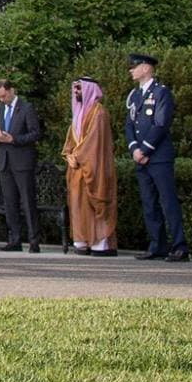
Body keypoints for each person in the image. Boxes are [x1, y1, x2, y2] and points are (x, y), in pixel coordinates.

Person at [124, 52, 188, 261]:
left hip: (158, 157)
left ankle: (179, 246)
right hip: (141, 157)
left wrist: (145, 150)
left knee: (168, 202)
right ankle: (157, 244)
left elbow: (161, 124)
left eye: (135, 66)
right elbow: (129, 124)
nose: (131, 70)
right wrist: (134, 148)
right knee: (149, 202)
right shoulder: (134, 96)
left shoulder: (161, 93)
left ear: (146, 68)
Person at [61, 77, 117, 255]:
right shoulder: (77, 114)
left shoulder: (98, 112)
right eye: (74, 89)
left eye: (79, 89)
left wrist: (76, 156)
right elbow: (71, 140)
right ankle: (82, 241)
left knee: (96, 206)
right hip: (77, 170)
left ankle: (101, 244)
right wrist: (68, 155)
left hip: (95, 168)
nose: (76, 92)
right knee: (79, 206)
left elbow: (93, 142)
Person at [0, 78, 42, 252]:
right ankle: (15, 240)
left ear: (11, 91)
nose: (1, 99)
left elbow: (35, 133)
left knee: (27, 202)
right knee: (10, 203)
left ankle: (34, 241)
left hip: (22, 161)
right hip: (5, 161)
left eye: (4, 96)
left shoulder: (27, 108)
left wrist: (15, 139)